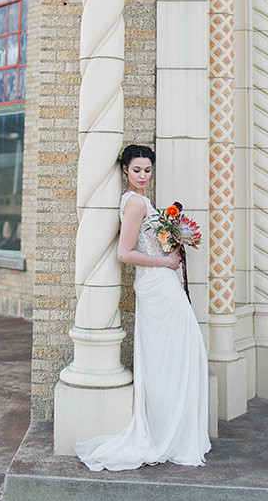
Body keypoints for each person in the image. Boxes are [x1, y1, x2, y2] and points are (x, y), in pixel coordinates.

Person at [75, 144, 211, 471]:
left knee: (173, 357)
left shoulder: (140, 201)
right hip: (157, 286)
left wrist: (170, 243)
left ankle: (172, 428)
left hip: (160, 287)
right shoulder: (135, 203)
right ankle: (170, 431)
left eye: (148, 170)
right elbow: (125, 253)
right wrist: (165, 261)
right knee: (175, 356)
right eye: (137, 170)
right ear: (125, 170)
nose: (143, 176)